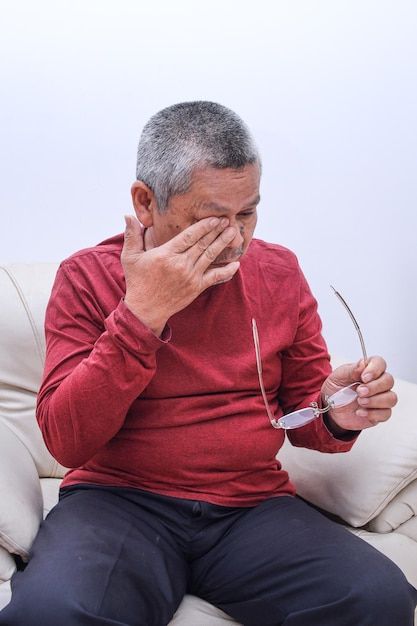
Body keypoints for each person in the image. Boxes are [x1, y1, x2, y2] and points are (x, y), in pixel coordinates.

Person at [1, 101, 415, 626]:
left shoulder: (279, 273)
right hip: (119, 503)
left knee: (379, 597)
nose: (237, 237)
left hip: (250, 507)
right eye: (214, 218)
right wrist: (142, 314)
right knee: (52, 614)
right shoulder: (85, 278)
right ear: (145, 202)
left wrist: (336, 413)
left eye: (248, 213)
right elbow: (66, 440)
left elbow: (307, 417)